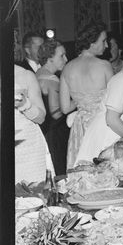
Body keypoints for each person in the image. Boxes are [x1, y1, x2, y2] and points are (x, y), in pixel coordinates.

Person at [59, 21, 114, 170]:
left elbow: (64, 108)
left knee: (82, 172)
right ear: (91, 42)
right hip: (102, 125)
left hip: (80, 128)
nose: (107, 45)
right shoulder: (104, 66)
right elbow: (115, 101)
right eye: (103, 41)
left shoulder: (67, 68)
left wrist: (82, 101)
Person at [36, 39, 69, 176]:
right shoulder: (52, 80)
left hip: (44, 134)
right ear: (49, 59)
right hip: (55, 134)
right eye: (61, 56)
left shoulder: (37, 74)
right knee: (59, 173)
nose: (66, 59)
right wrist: (80, 102)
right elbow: (56, 113)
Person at [14, 64, 48, 184]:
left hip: (28, 147)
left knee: (32, 194)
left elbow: (41, 118)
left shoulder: (25, 75)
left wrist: (24, 105)